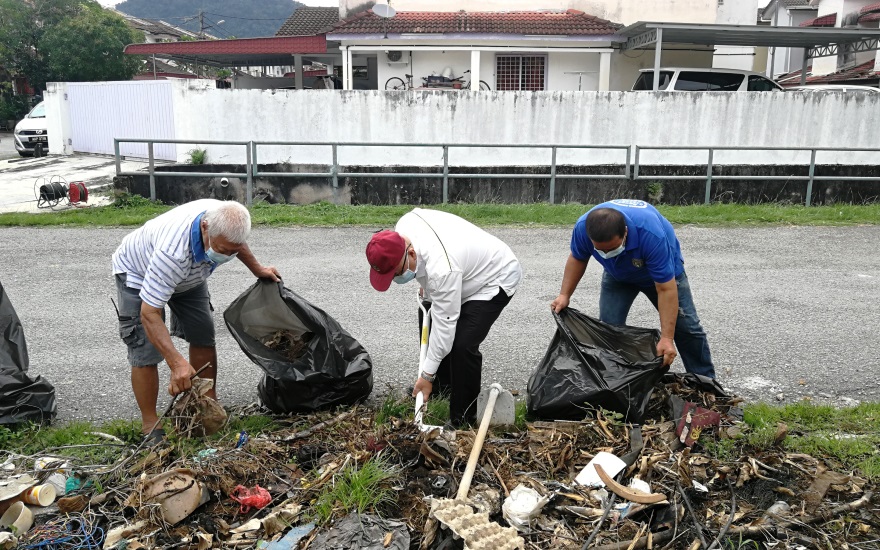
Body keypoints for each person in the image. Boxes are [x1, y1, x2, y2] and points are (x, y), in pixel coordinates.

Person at [112, 199, 279, 442]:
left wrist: (258, 269)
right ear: (204, 227)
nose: (226, 256)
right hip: (139, 272)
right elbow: (149, 314)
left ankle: (207, 404)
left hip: (191, 274)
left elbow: (235, 243)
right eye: (222, 249)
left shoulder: (225, 222)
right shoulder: (172, 254)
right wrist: (177, 364)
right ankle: (150, 424)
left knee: (202, 333)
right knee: (145, 349)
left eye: (231, 251)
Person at [365, 208, 522, 425]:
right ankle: (441, 386)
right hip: (459, 269)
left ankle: (462, 418)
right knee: (427, 315)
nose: (395, 280)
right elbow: (430, 270)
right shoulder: (404, 227)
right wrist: (426, 282)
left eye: (397, 273)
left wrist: (426, 375)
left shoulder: (442, 269)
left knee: (462, 344)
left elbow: (445, 329)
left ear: (411, 254)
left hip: (494, 277)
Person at [550, 199, 715, 378]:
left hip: (660, 277)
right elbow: (578, 257)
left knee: (688, 329)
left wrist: (667, 338)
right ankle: (615, 380)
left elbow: (666, 289)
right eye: (601, 251)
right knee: (609, 329)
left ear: (626, 232)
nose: (607, 254)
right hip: (617, 275)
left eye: (612, 249)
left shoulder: (650, 235)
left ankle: (705, 380)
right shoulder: (583, 228)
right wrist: (564, 294)